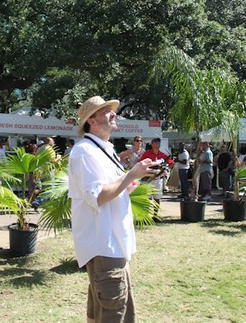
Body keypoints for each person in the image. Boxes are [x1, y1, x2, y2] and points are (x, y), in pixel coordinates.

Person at [68, 96, 158, 322]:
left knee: (101, 311)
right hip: (104, 245)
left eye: (112, 110)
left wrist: (139, 177)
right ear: (92, 121)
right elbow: (97, 196)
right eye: (106, 111)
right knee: (113, 312)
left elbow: (116, 190)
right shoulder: (84, 151)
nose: (113, 113)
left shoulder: (103, 150)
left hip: (113, 244)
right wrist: (131, 174)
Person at [139, 138, 172, 213]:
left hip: (158, 179)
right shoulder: (147, 154)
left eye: (158, 143)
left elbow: (171, 162)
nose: (157, 144)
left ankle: (155, 214)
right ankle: (146, 214)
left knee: (157, 197)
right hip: (148, 178)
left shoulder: (162, 154)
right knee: (147, 197)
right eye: (156, 142)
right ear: (152, 144)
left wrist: (165, 170)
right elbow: (141, 163)